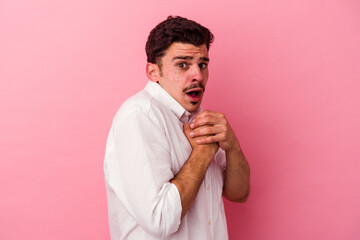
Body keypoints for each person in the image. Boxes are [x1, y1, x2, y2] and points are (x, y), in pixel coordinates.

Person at [104, 16, 250, 240]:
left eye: (202, 64)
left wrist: (232, 146)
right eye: (183, 65)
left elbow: (239, 194)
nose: (198, 76)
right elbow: (159, 220)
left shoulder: (201, 119)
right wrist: (203, 152)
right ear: (153, 72)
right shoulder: (140, 116)